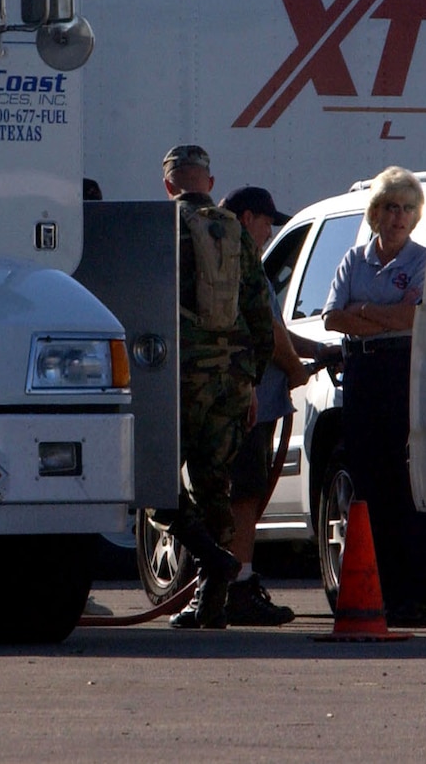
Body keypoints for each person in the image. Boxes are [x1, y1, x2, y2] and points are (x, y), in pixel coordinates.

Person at [157, 145, 279, 630]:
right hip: (231, 381)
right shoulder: (235, 231)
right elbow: (260, 317)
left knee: (156, 485)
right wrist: (250, 381)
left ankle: (213, 560)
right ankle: (212, 602)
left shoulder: (158, 227)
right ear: (209, 181)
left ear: (168, 185)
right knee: (216, 488)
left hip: (179, 379)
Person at [322, 166, 426, 627]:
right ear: (375, 213)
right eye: (390, 208)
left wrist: (366, 310)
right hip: (362, 373)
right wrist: (379, 315)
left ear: (416, 217)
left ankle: (421, 593)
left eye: (407, 210)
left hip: (403, 373)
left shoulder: (423, 260)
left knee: (409, 483)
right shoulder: (354, 260)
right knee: (369, 483)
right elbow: (333, 318)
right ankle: (384, 588)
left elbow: (411, 319)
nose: (397, 217)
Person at [220, 185, 339, 627]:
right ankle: (239, 586)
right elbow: (266, 330)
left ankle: (217, 586)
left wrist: (316, 353)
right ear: (248, 218)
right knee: (245, 495)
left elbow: (278, 331)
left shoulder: (217, 257)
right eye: (267, 222)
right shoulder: (242, 261)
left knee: (224, 494)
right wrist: (293, 369)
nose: (270, 232)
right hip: (247, 401)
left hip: (229, 397)